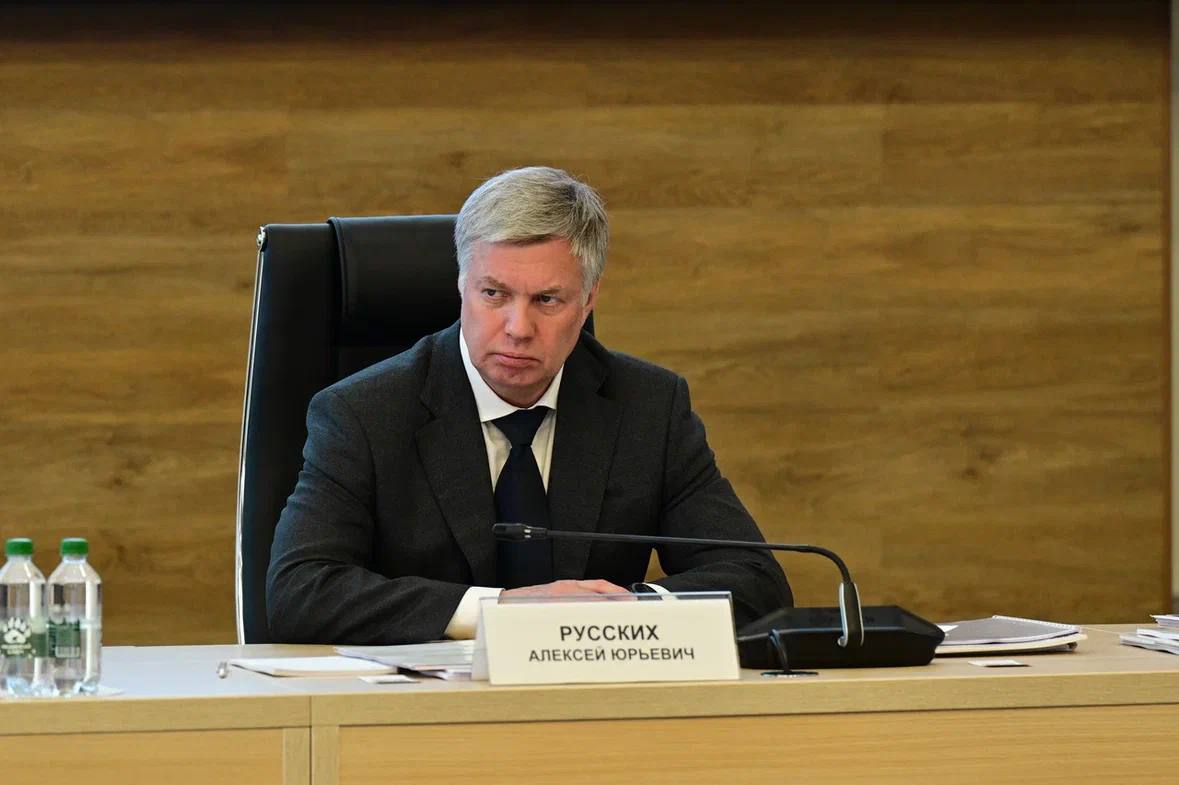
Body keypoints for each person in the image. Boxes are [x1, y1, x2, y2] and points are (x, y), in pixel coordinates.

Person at [266, 166, 792, 644]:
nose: (518, 328)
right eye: (494, 294)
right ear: (461, 284)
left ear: (588, 300)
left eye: (547, 300)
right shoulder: (364, 413)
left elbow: (755, 581)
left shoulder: (647, 407)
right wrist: (502, 611)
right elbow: (300, 592)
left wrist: (624, 612)